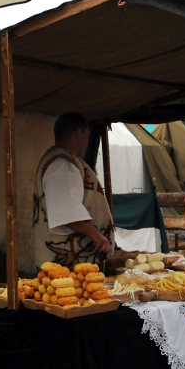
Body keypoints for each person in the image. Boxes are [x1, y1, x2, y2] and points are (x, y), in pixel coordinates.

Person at [32, 112, 114, 269]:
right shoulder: (61, 165)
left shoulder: (59, 160)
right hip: (65, 265)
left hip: (66, 264)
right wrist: (96, 235)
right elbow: (66, 210)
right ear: (78, 133)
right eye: (87, 137)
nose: (87, 144)